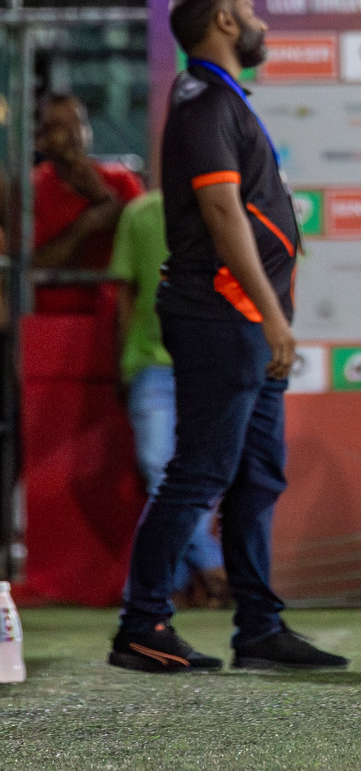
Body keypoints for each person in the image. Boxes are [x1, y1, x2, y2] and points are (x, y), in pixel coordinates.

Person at [112, 0, 346, 673]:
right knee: (199, 472)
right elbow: (222, 214)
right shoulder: (204, 99)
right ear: (222, 20)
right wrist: (274, 317)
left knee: (255, 476)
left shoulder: (221, 101)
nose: (260, 21)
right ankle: (142, 623)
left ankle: (259, 629)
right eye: (249, 9)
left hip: (245, 320)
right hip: (224, 317)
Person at [108, 190, 227, 606]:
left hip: (212, 364)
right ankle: (212, 566)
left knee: (201, 474)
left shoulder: (231, 207)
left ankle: (157, 588)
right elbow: (126, 293)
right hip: (151, 362)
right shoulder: (140, 213)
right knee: (158, 465)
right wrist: (124, 360)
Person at [33, 94, 143, 313]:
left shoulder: (121, 180)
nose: (73, 133)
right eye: (59, 126)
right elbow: (32, 263)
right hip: (49, 320)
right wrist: (84, 227)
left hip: (112, 317)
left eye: (78, 122)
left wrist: (100, 194)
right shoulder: (32, 187)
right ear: (42, 138)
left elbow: (142, 239)